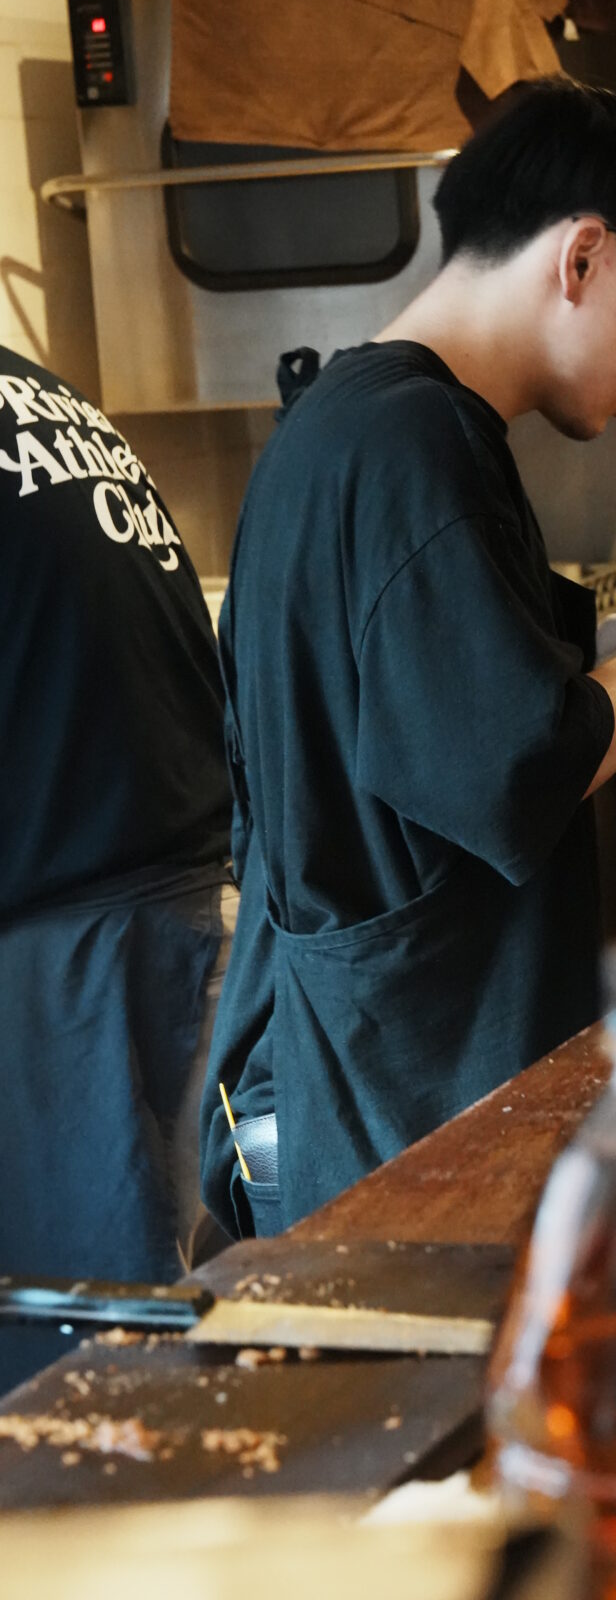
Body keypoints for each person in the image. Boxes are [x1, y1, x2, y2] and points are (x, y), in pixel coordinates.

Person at [201, 79, 616, 1235]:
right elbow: (511, 768)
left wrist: (598, 654)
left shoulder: (353, 423)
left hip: (390, 1071)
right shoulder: (416, 443)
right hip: (417, 1100)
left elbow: (431, 703)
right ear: (582, 257)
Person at [0, 344, 232, 1383]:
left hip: (65, 955)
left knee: (80, 1372)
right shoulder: (37, 389)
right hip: (152, 903)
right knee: (133, 1323)